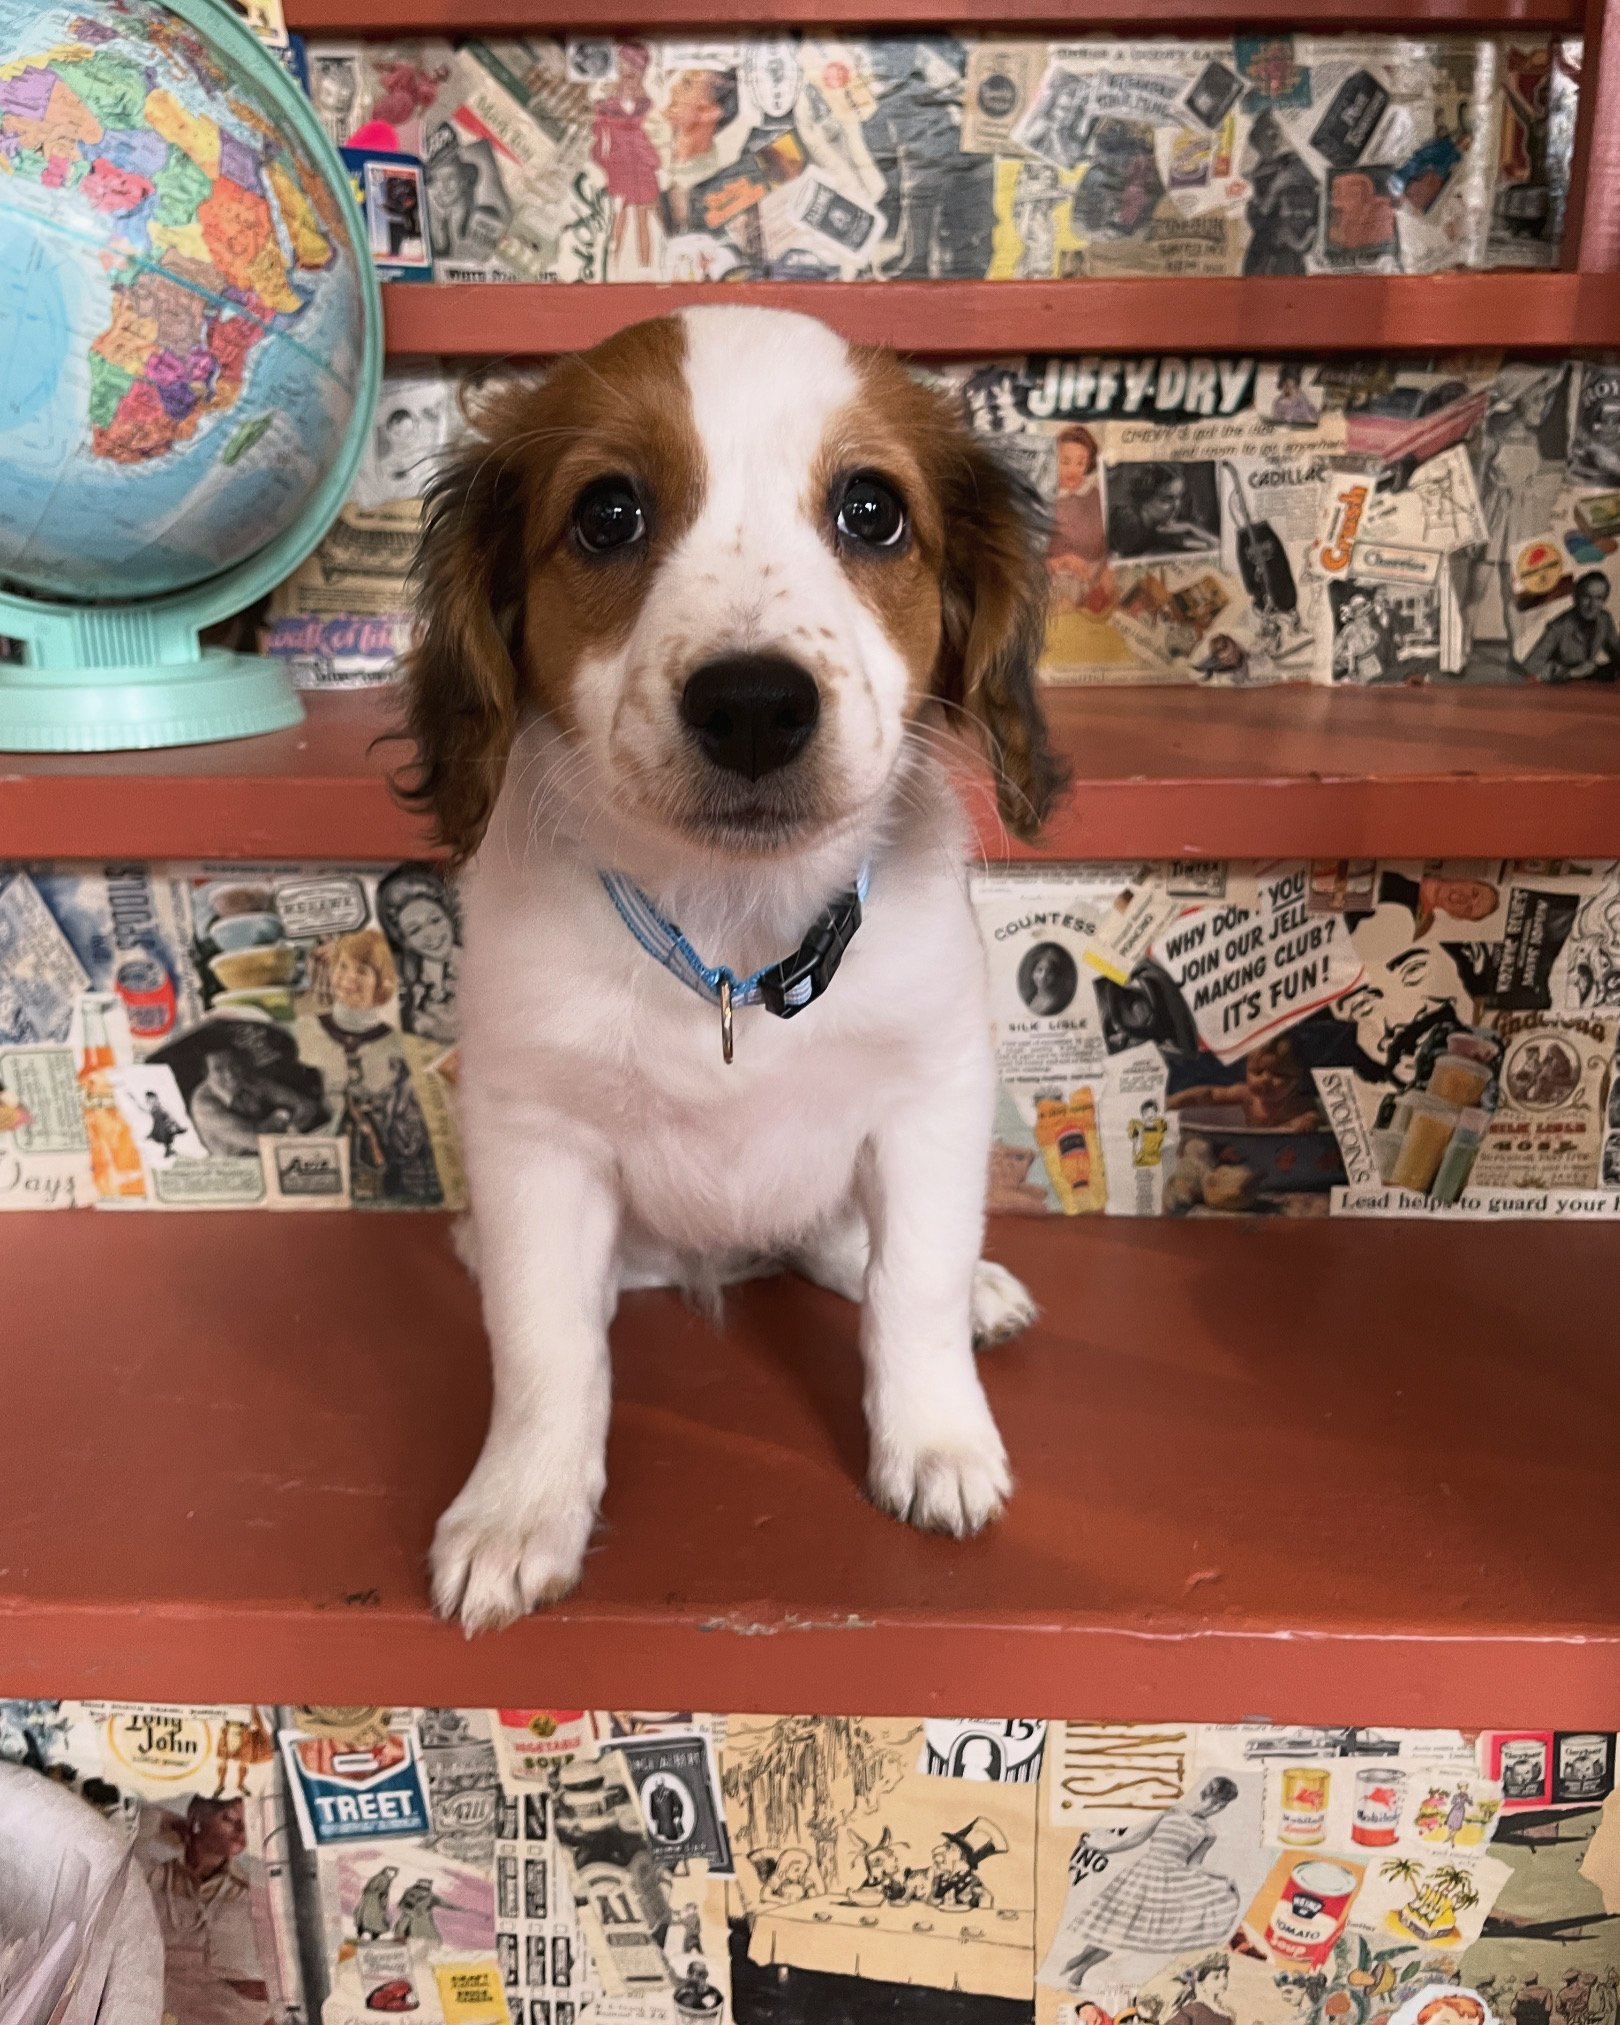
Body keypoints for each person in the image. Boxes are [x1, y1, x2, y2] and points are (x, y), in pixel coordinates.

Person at [1055, 1776, 1242, 1989]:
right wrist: (1101, 1848)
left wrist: (1224, 1878)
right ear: (1206, 1794)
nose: (1217, 1807)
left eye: (1223, 1805)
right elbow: (1136, 1837)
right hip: (1141, 1875)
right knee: (1112, 1927)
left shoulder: (1208, 1833)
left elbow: (1194, 1865)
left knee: (1124, 1934)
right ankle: (1078, 1962)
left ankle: (1078, 1972)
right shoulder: (1172, 1811)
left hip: (1166, 1885)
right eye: (1215, 1800)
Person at [146, 1796, 269, 2025]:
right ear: (195, 1819)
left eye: (247, 1820)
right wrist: (179, 1826)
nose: (242, 1829)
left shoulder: (250, 1893)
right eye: (229, 1818)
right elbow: (133, 1825)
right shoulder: (154, 1876)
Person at [592, 43, 661, 271]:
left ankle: (646, 269)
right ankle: (611, 268)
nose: (629, 75)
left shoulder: (648, 106)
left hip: (643, 173)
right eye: (625, 69)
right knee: (617, 221)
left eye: (635, 70)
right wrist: (607, 163)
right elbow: (598, 144)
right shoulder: (606, 108)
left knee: (643, 222)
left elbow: (658, 140)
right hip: (619, 173)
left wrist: (653, 160)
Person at [376, 865, 460, 1044]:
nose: (431, 935)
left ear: (448, 916)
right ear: (404, 940)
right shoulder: (405, 983)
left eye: (435, 920)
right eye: (415, 930)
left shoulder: (485, 965)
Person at [1047, 426, 1114, 614]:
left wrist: (1108, 571)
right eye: (1065, 461)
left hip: (1095, 589)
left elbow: (1113, 543)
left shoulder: (1097, 496)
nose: (1073, 470)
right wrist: (1061, 561)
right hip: (1053, 588)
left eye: (1080, 462)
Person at [1524, 572, 1620, 682]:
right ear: (1575, 597)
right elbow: (1528, 668)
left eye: (1599, 598)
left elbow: (1616, 654)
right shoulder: (1558, 627)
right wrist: (1570, 672)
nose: (1592, 605)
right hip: (1558, 690)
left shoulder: (1604, 619)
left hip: (1588, 688)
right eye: (1586, 596)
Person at [1111, 465, 1217, 556]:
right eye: (1166, 499)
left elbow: (1216, 546)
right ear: (1145, 500)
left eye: (1179, 498)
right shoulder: (1127, 523)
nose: (1177, 506)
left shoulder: (1160, 527)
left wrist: (1190, 527)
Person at [1168, 1955, 1235, 2025]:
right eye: (1216, 1977)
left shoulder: (1226, 2013)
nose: (1224, 1981)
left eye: (1225, 1975)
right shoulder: (1191, 2011)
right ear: (1201, 1984)